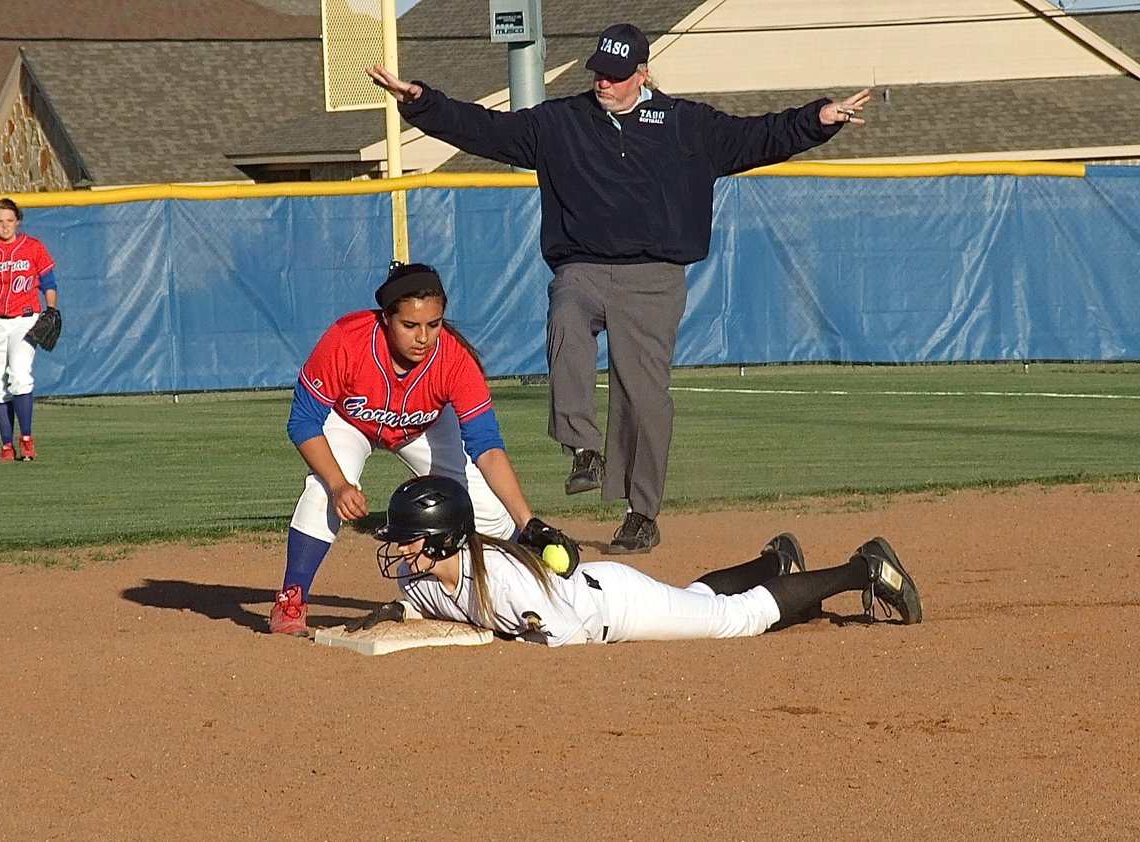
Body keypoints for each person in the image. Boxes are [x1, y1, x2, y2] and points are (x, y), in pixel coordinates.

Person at [366, 23, 869, 554]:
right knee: (566, 314)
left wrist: (817, 119)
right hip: (582, 267)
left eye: (616, 75)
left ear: (643, 74)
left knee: (645, 397)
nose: (604, 83)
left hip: (654, 277)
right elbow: (485, 129)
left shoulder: (686, 125)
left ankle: (641, 513)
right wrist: (423, 104)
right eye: (599, 73)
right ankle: (582, 447)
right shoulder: (563, 122)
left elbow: (759, 135)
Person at [270, 261, 577, 636]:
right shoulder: (348, 339)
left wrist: (527, 522)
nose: (424, 337)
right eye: (410, 325)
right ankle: (292, 597)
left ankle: (490, 591)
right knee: (322, 492)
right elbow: (303, 421)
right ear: (386, 318)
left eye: (434, 324)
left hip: (422, 426)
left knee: (493, 515)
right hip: (351, 423)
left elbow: (487, 446)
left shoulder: (454, 360)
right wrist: (338, 484)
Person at [352, 475, 923, 645]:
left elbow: (569, 640)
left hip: (613, 609)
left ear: (446, 540)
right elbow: (424, 611)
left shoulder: (502, 581)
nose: (397, 549)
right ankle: (775, 563)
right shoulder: (418, 576)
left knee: (734, 620)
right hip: (595, 592)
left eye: (407, 539)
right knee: (699, 599)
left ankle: (863, 569)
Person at [0, 197, 59, 462]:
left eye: (9, 220)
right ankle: (6, 445)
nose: (4, 226)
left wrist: (50, 310)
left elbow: (49, 282)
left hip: (25, 320)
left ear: (18, 220)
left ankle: (26, 439)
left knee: (19, 374)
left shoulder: (34, 248)